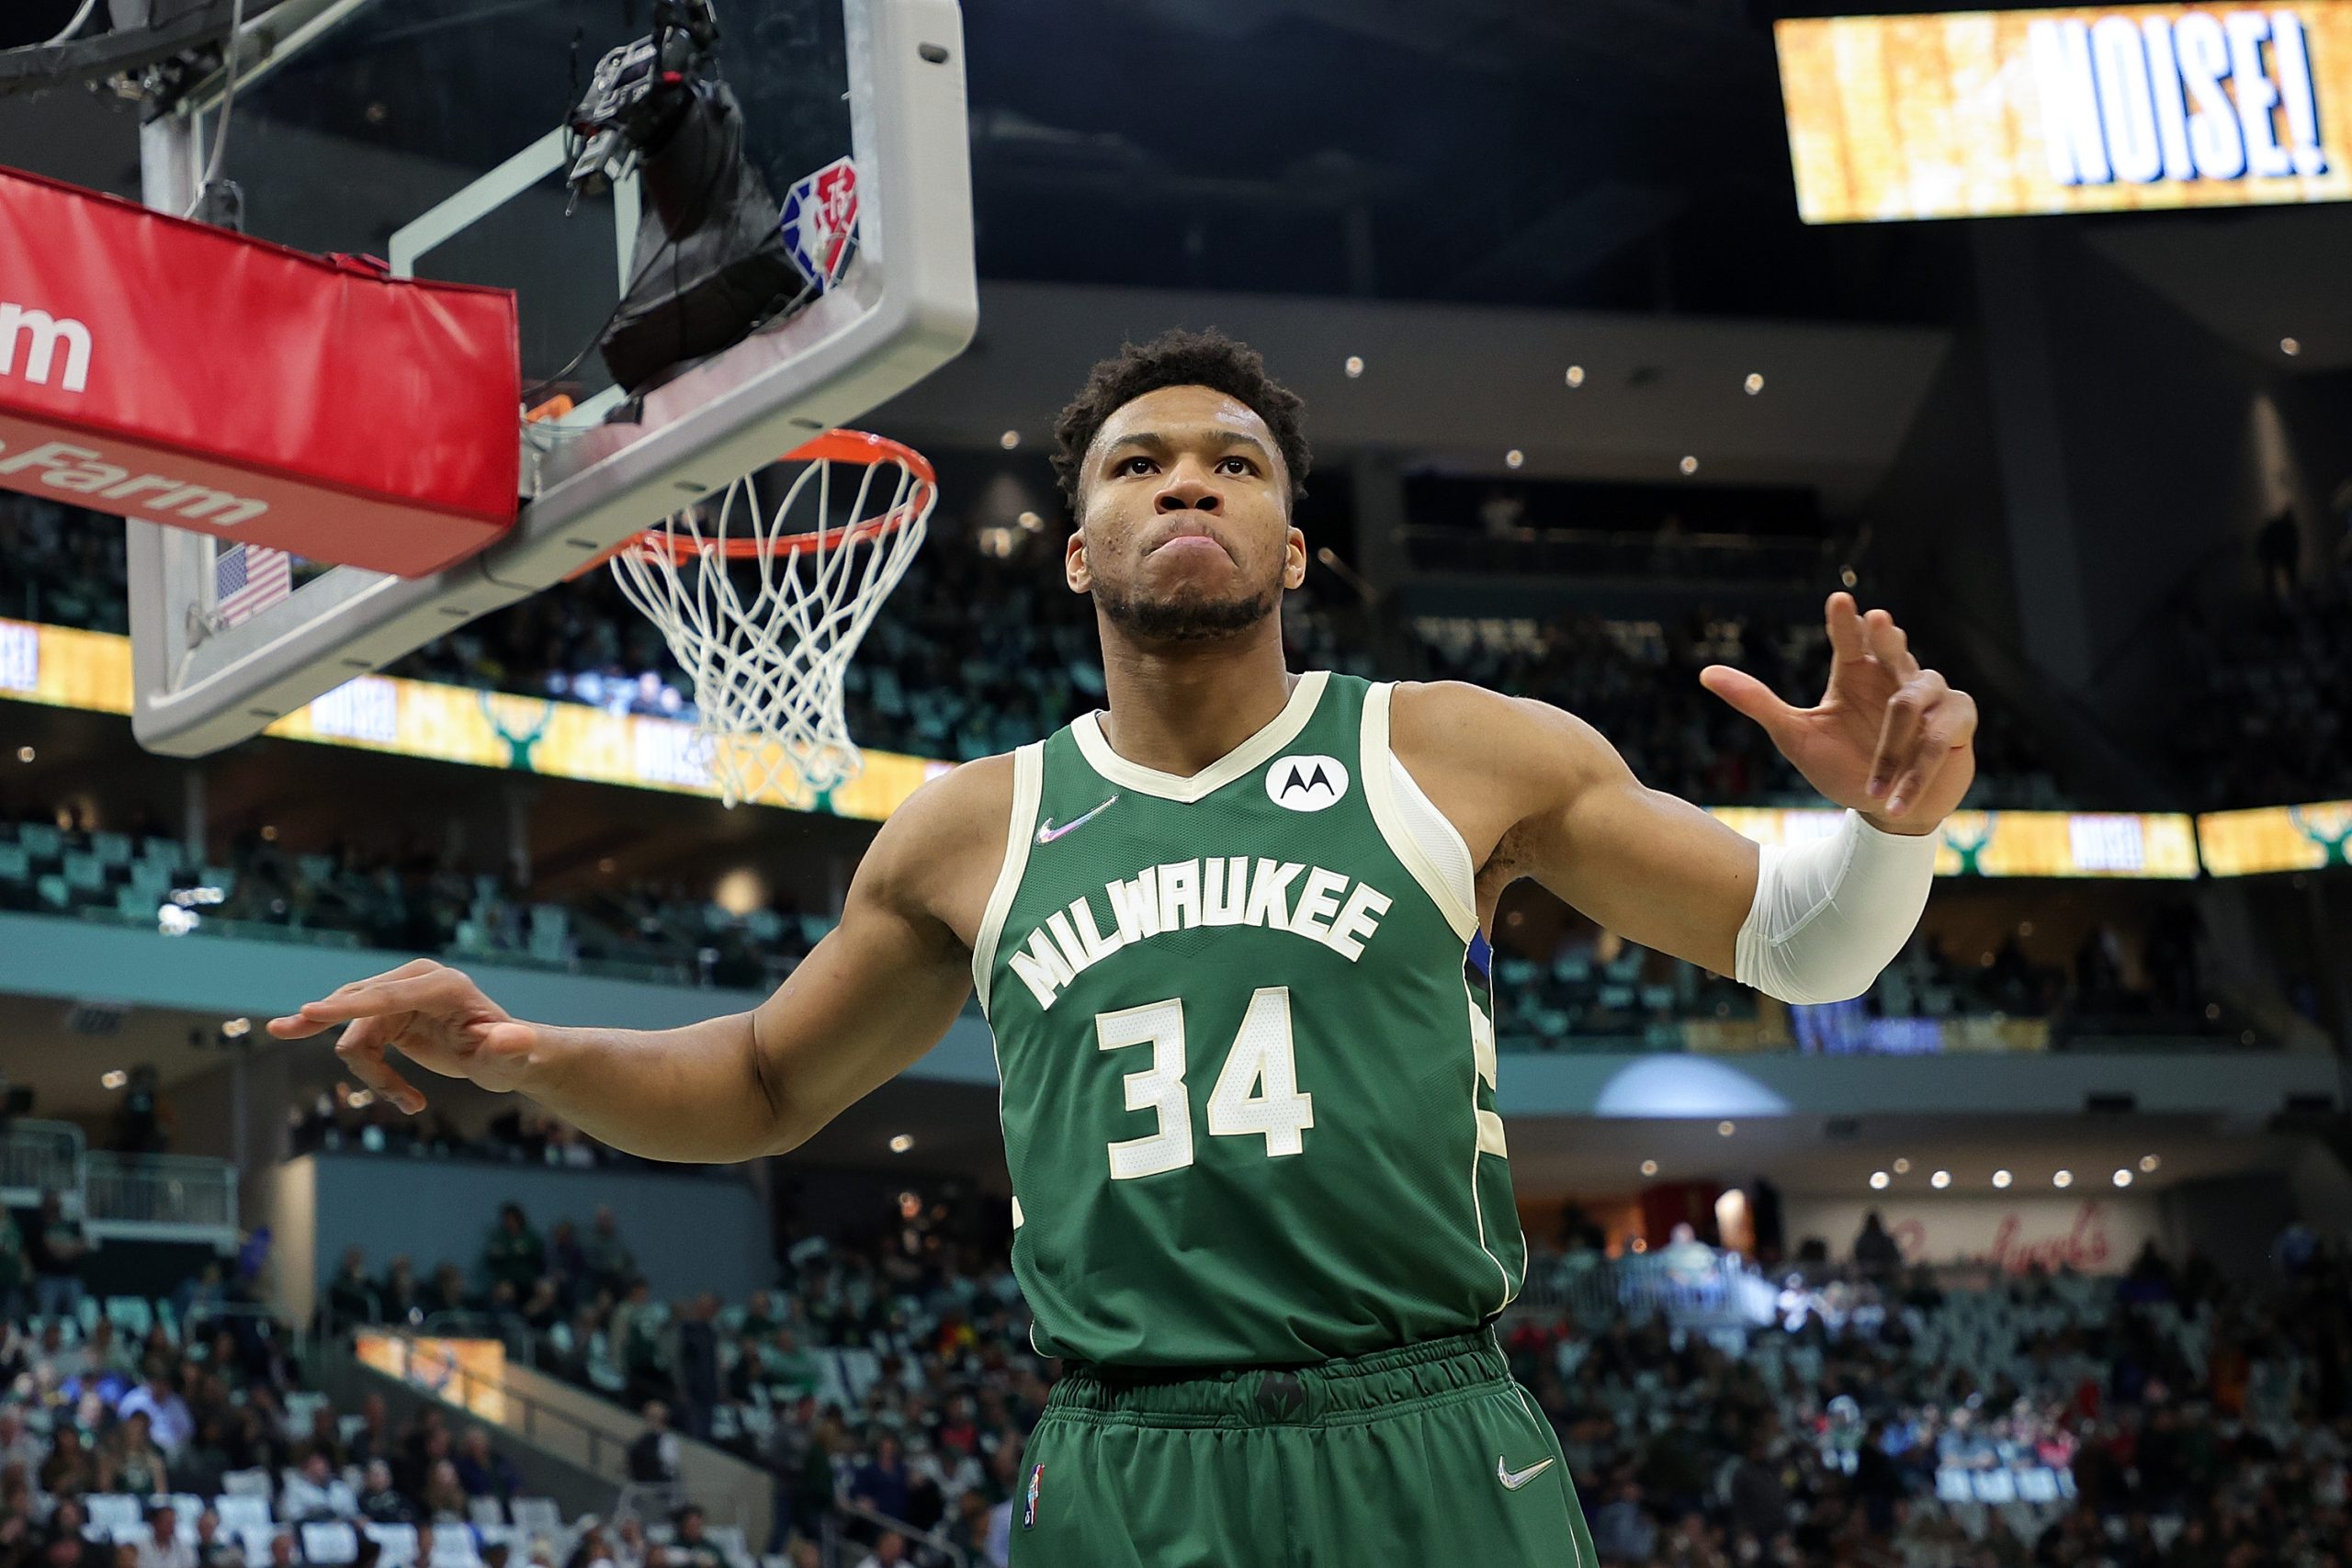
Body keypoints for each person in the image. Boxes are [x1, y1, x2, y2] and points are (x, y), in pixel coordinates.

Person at [271, 330, 1976, 1567]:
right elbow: (764, 1081)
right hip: (1127, 1460)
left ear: (1293, 546)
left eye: (1237, 465)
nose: (1190, 481)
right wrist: (517, 1054)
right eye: (1139, 464)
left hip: (1429, 1430)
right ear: (1075, 546)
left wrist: (1891, 830)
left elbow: (1797, 945)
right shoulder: (969, 826)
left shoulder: (1457, 749)